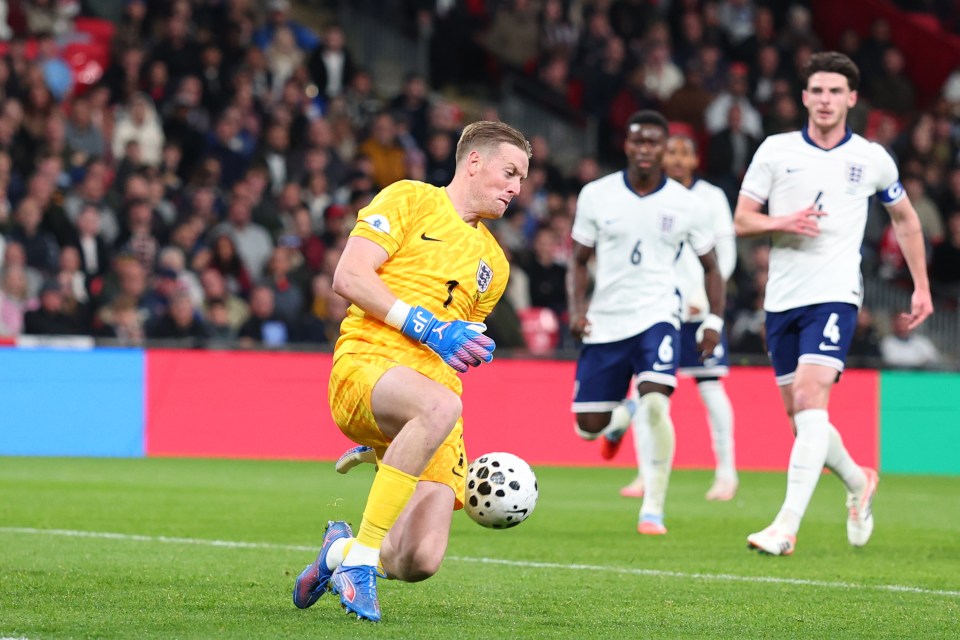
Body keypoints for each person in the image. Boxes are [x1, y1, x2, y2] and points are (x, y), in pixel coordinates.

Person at [291, 121, 531, 622]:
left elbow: (454, 340)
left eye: (522, 179)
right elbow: (348, 275)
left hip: (431, 395)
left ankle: (339, 552)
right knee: (441, 405)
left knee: (418, 559)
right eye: (510, 173)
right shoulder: (410, 198)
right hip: (368, 362)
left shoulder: (494, 263)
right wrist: (427, 327)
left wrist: (465, 345)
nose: (516, 188)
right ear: (473, 162)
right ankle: (360, 563)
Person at [733, 52, 933, 556]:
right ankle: (859, 481)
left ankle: (785, 527)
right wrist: (782, 222)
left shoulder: (871, 158)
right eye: (817, 91)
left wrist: (921, 286)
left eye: (835, 91)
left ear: (852, 98)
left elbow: (906, 219)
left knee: (808, 398)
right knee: (803, 419)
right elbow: (742, 219)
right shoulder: (775, 150)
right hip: (783, 300)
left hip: (836, 295)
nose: (825, 100)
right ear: (804, 97)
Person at [567, 110, 726, 536]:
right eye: (638, 141)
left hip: (658, 315)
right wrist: (577, 309)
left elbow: (712, 267)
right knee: (587, 428)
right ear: (627, 145)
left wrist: (713, 320)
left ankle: (653, 509)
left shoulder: (687, 204)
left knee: (657, 402)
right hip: (606, 321)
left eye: (654, 142)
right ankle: (622, 416)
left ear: (663, 148)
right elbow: (578, 260)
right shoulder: (596, 195)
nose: (645, 149)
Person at [619, 134, 739, 502]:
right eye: (670, 152)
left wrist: (705, 298)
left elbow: (725, 253)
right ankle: (646, 472)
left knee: (711, 388)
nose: (676, 159)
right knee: (646, 391)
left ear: (695, 160)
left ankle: (727, 473)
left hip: (699, 312)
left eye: (684, 152)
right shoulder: (650, 197)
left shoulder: (711, 197)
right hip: (657, 309)